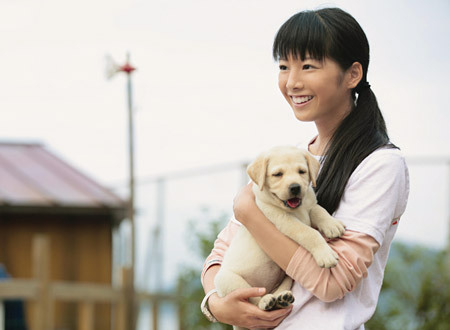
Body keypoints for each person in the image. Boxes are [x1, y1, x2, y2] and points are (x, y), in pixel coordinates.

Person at [200, 7, 409, 330]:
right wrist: (216, 303)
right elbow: (220, 255)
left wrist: (250, 212)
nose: (292, 82)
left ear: (353, 74)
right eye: (284, 66)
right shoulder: (291, 161)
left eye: (308, 66)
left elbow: (333, 283)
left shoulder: (379, 164)